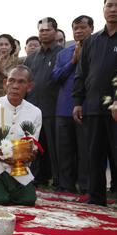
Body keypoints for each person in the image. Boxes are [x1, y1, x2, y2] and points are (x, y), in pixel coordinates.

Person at [0, 65, 42, 206]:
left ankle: (6, 189)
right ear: (5, 84)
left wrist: (30, 153)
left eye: (21, 82)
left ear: (29, 86)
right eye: (11, 81)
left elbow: (33, 142)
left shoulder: (35, 112)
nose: (15, 86)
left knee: (27, 200)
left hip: (17, 168)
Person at [73, 0, 117, 206]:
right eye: (110, 5)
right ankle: (96, 198)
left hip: (115, 108)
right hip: (92, 107)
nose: (114, 9)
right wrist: (78, 102)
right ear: (103, 9)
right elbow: (81, 74)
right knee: (94, 155)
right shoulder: (92, 41)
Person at [52, 15, 94, 194]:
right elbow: (55, 77)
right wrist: (72, 62)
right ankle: (65, 186)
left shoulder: (97, 48)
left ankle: (85, 187)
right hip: (63, 109)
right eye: (75, 28)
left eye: (82, 27)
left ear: (91, 29)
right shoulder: (63, 54)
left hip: (87, 107)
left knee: (85, 150)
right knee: (65, 150)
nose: (78, 31)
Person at [25, 17, 63, 189]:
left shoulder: (63, 53)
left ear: (55, 31)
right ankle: (34, 178)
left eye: (48, 30)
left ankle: (60, 181)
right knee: (32, 147)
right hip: (32, 108)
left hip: (54, 108)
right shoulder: (32, 58)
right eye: (41, 30)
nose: (44, 32)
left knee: (56, 148)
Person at [0, 34, 23, 101]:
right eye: (1, 44)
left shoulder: (18, 62)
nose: (3, 47)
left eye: (6, 44)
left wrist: (4, 72)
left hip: (13, 98)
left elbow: (20, 82)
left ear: (11, 47)